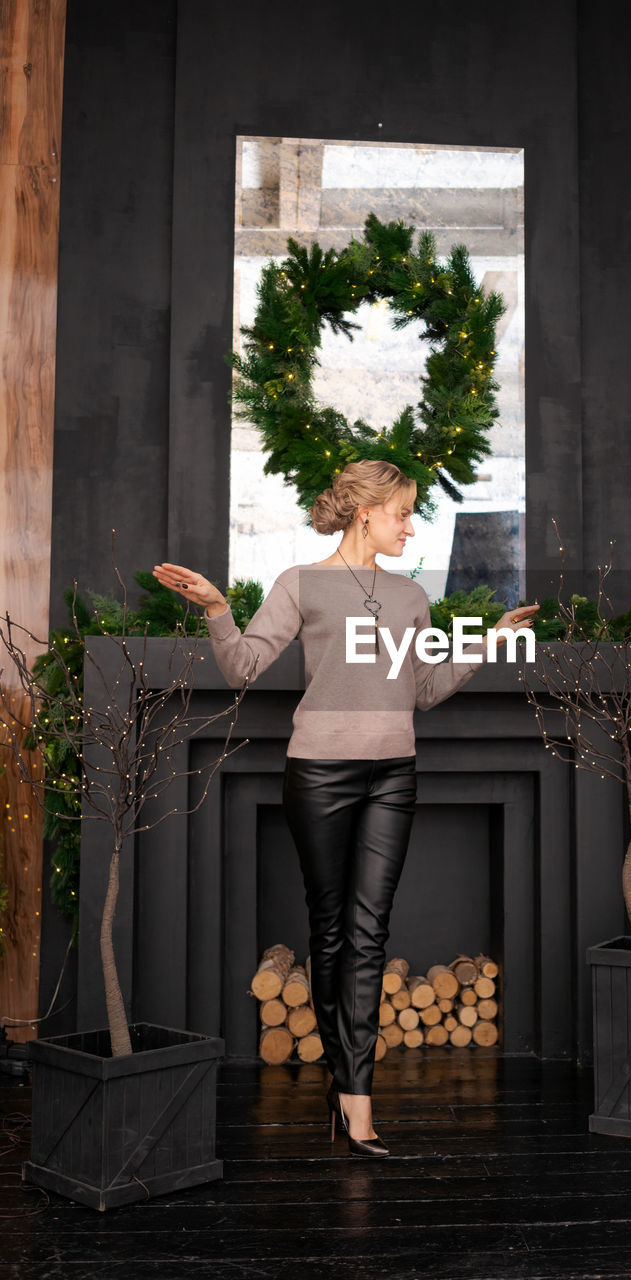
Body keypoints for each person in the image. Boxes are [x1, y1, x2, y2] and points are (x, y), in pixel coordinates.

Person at [153, 459, 537, 1158]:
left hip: (394, 773)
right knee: (330, 934)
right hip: (320, 775)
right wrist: (216, 608)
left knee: (368, 934)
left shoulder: (412, 599)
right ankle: (343, 1082)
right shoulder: (301, 585)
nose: (410, 527)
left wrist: (489, 643)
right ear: (367, 512)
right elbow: (241, 668)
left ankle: (356, 1100)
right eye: (402, 514)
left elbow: (421, 689)